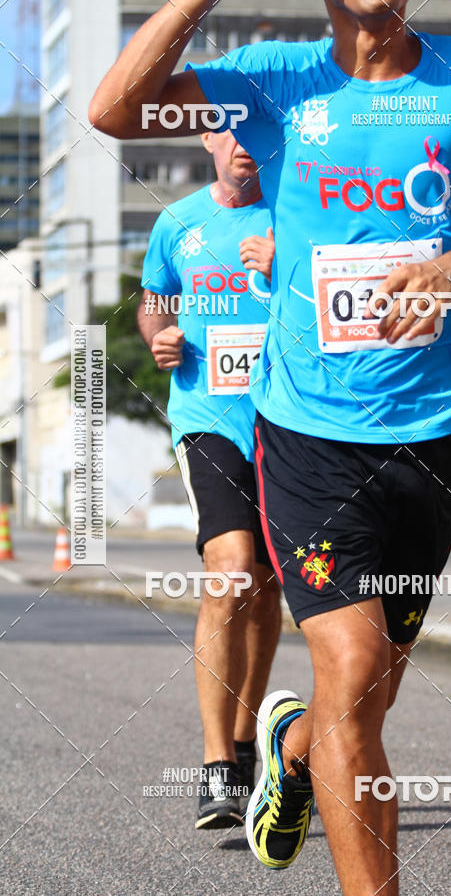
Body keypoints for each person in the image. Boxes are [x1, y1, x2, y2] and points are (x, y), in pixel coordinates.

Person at [91, 0, 451, 891]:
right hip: (306, 432)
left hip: (436, 429)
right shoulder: (275, 79)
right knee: (353, 667)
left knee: (368, 691)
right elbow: (116, 111)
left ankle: (289, 745)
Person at [138, 128, 281, 830]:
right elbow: (153, 300)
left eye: (255, 125)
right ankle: (217, 763)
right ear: (206, 138)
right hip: (209, 418)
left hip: (290, 422)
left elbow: (344, 295)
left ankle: (247, 739)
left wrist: (287, 265)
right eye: (228, 126)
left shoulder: (297, 209)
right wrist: (158, 336)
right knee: (230, 568)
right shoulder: (178, 221)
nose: (243, 141)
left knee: (266, 586)